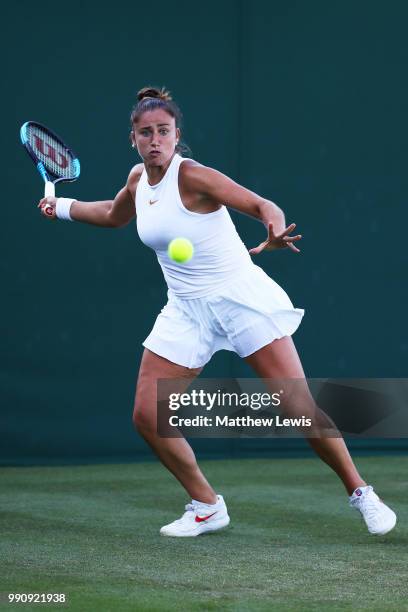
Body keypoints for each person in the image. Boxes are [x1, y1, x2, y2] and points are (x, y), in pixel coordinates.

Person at [38, 86, 397, 538]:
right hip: (186, 310)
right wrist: (64, 207)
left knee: (298, 407)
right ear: (132, 138)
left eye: (163, 131)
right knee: (147, 416)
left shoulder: (194, 176)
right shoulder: (137, 181)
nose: (154, 140)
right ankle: (207, 505)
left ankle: (362, 492)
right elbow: (112, 213)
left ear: (176, 135)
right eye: (145, 132)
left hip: (237, 297)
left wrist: (274, 227)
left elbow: (260, 204)